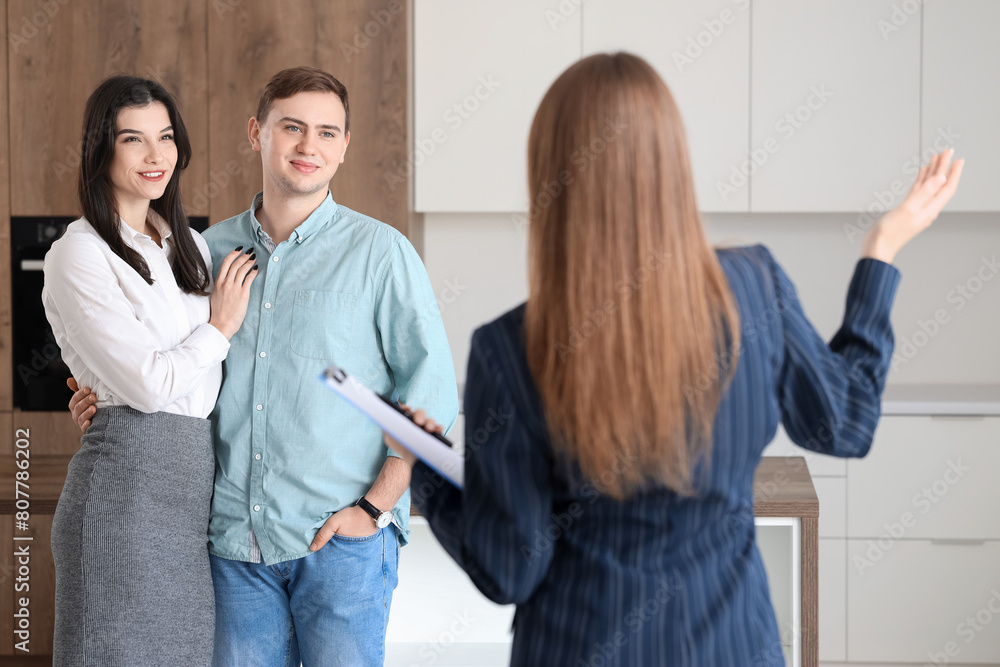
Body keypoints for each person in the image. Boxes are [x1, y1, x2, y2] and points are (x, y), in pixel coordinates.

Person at [383, 52, 964, 666]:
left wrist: (426, 467)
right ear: (672, 163)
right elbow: (848, 422)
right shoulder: (755, 287)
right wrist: (883, 250)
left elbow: (512, 571)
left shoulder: (509, 347)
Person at [69, 66, 458, 666]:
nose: (309, 146)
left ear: (345, 147)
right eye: (292, 127)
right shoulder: (200, 250)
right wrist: (100, 392)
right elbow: (159, 362)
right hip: (230, 548)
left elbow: (428, 394)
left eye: (328, 133)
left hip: (343, 545)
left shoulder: (381, 254)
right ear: (257, 132)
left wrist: (376, 508)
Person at [44, 75, 256, 666]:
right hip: (124, 494)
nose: (155, 155)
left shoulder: (188, 243)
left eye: (165, 137)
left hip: (191, 493)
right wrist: (220, 327)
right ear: (101, 149)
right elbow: (146, 385)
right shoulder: (79, 252)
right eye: (133, 139)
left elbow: (201, 383)